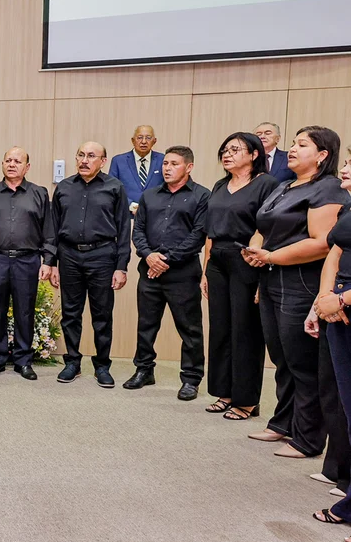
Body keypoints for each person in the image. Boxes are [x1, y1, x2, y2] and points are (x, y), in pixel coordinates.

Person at [245, 126, 344, 458]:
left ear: (322, 155)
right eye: (293, 143)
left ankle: (308, 438)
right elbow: (262, 225)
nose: (292, 149)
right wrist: (256, 251)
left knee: (303, 362)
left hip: (300, 282)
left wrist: (270, 256)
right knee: (281, 358)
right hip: (271, 278)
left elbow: (322, 243)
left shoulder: (327, 188)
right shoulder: (285, 185)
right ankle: (282, 424)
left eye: (302, 145)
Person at [201, 133, 278, 420]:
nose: (227, 154)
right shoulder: (220, 185)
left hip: (246, 257)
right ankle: (225, 392)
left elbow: (268, 226)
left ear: (254, 154)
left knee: (245, 330)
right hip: (218, 259)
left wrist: (258, 258)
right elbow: (210, 231)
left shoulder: (266, 185)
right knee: (221, 328)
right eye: (225, 149)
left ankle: (247, 400)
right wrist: (205, 270)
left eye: (235, 149)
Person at [125, 146, 209, 400]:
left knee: (190, 328)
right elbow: (137, 231)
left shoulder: (202, 196)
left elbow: (198, 235)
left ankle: (191, 379)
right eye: (165, 164)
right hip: (149, 270)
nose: (167, 168)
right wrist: (149, 255)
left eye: (174, 164)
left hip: (182, 273)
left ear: (189, 167)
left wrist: (166, 260)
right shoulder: (149, 195)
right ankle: (144, 370)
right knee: (146, 325)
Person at [48, 142, 131, 388]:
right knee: (70, 314)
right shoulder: (63, 188)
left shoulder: (114, 187)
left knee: (102, 315)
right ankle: (72, 362)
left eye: (91, 156)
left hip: (102, 256)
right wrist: (51, 263)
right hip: (69, 256)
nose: (85, 160)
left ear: (103, 161)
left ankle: (102, 365)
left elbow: (124, 229)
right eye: (81, 155)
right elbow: (53, 228)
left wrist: (121, 266)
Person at [0, 146, 54, 381]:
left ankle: (23, 360)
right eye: (7, 160)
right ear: (2, 164)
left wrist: (48, 261)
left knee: (25, 311)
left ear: (27, 167)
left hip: (27, 260)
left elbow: (48, 231)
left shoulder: (39, 193)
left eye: (17, 161)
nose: (12, 164)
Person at [309, 150, 351, 541]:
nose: (344, 170)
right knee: (347, 407)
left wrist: (342, 300)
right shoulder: (350, 207)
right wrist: (323, 301)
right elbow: (334, 252)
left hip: (346, 306)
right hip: (334, 309)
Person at [108, 125, 164, 209]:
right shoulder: (118, 161)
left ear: (154, 141)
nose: (144, 141)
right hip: (126, 213)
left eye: (148, 138)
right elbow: (112, 188)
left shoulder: (163, 160)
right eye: (140, 137)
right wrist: (131, 205)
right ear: (133, 141)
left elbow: (167, 187)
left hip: (155, 213)